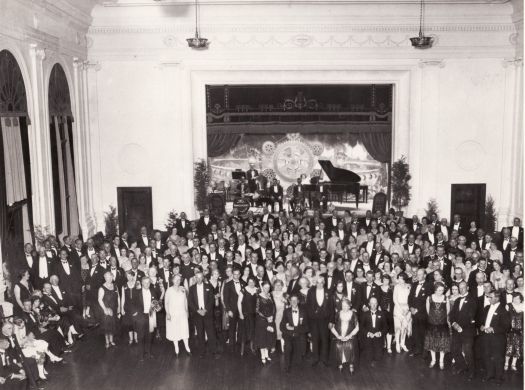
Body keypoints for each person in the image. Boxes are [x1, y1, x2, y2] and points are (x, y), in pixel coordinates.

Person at [479, 290, 511, 384]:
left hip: (498, 339)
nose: (488, 299)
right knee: (487, 356)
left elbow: (507, 326)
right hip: (486, 337)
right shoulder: (487, 308)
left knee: (498, 358)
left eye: (491, 297)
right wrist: (481, 325)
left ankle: (499, 378)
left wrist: (493, 329)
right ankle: (489, 375)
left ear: (497, 298)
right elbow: (482, 320)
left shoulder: (503, 310)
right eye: (488, 297)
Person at [449, 281, 476, 379]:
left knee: (468, 351)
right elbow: (451, 315)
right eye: (460, 288)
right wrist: (454, 323)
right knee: (454, 349)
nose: (461, 289)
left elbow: (472, 317)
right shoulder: (457, 300)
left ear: (467, 287)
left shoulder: (472, 300)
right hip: (456, 329)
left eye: (463, 287)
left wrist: (461, 327)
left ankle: (471, 371)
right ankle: (462, 366)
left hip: (467, 331)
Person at [188, 270, 218, 358]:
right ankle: (202, 351)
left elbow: (211, 300)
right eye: (197, 277)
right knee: (200, 333)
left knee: (211, 333)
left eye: (201, 277)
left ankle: (214, 351)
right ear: (195, 278)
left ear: (203, 278)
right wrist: (197, 310)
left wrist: (205, 310)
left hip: (207, 313)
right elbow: (190, 302)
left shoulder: (209, 286)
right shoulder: (192, 288)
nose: (199, 279)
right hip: (197, 314)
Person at [306, 277, 332, 366]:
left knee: (325, 340)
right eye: (318, 282)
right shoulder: (311, 292)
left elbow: (331, 307)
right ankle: (315, 358)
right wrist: (312, 316)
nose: (319, 284)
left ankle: (324, 359)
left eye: (321, 282)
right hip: (314, 320)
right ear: (315, 283)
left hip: (325, 320)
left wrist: (331, 321)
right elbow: (308, 306)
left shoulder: (328, 292)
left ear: (324, 283)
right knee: (315, 339)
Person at [424, 282, 450, 369]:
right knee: (432, 343)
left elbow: (448, 311)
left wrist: (441, 319)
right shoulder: (429, 298)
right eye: (439, 290)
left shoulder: (446, 298)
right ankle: (433, 360)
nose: (441, 292)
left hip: (442, 325)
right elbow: (428, 311)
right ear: (435, 290)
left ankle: (441, 361)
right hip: (432, 324)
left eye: (442, 290)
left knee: (442, 343)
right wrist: (434, 318)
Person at [330, 298, 359, 374]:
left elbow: (357, 328)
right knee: (337, 345)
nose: (344, 307)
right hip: (340, 336)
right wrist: (337, 335)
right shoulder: (338, 314)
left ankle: (351, 364)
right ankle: (340, 363)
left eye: (346, 306)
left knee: (351, 345)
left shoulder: (353, 314)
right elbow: (331, 327)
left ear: (350, 306)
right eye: (343, 306)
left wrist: (349, 336)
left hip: (349, 336)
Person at [280, 295, 308, 373]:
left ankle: (299, 365)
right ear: (290, 302)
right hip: (289, 335)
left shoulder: (303, 311)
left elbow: (307, 327)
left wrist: (294, 329)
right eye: (292, 300)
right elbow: (282, 325)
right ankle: (287, 366)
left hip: (299, 334)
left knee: (301, 347)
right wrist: (288, 330)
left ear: (298, 301)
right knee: (288, 347)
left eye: (295, 300)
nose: (294, 302)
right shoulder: (286, 311)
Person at [164, 274, 190, 356]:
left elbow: (185, 301)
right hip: (173, 314)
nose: (177, 281)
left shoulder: (183, 289)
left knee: (184, 330)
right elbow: (166, 303)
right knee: (174, 331)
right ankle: (176, 348)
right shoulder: (169, 290)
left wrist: (187, 311)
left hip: (182, 313)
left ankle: (187, 347)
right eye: (176, 279)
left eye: (179, 279)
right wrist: (167, 313)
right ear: (172, 280)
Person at [254, 280, 276, 364]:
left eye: (268, 287)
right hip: (261, 320)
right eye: (265, 287)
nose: (267, 289)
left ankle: (267, 355)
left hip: (270, 319)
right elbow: (257, 310)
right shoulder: (258, 296)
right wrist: (266, 317)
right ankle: (262, 356)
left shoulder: (270, 296)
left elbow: (273, 307)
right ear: (262, 287)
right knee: (262, 338)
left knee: (268, 337)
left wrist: (272, 317)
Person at [360, 296, 387, 365]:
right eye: (372, 303)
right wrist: (368, 333)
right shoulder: (364, 314)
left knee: (378, 358)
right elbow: (361, 327)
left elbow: (386, 327)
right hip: (368, 339)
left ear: (377, 304)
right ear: (369, 304)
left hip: (378, 339)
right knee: (368, 358)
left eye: (375, 303)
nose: (374, 305)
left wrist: (380, 333)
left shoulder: (382, 314)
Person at [98, 271, 120, 349]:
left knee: (112, 326)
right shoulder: (102, 288)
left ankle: (111, 340)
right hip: (106, 309)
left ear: (112, 277)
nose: (109, 278)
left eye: (110, 276)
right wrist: (105, 309)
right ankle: (107, 342)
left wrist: (119, 308)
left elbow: (118, 297)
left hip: (114, 308)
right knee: (106, 327)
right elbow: (99, 300)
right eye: (107, 277)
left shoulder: (115, 286)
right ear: (104, 278)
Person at [238, 277, 257, 356]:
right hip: (245, 314)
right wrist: (241, 314)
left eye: (253, 282)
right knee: (244, 332)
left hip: (254, 315)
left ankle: (252, 347)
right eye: (249, 282)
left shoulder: (258, 290)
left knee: (253, 332)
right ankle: (242, 349)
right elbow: (239, 302)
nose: (251, 283)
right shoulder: (243, 290)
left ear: (255, 282)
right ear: (247, 282)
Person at [504, 292, 523, 371]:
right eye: (514, 298)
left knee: (517, 348)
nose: (516, 300)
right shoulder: (509, 305)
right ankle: (506, 363)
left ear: (521, 299)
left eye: (518, 298)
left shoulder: (523, 307)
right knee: (509, 347)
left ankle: (513, 364)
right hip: (510, 331)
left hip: (519, 331)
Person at [393, 273, 411, 353]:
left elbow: (410, 298)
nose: (400, 280)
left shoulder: (408, 286)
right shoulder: (396, 287)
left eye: (401, 278)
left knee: (404, 328)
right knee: (398, 328)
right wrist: (400, 309)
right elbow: (395, 299)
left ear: (404, 279)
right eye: (399, 278)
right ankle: (397, 343)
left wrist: (407, 309)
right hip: (398, 308)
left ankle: (402, 343)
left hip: (407, 308)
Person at [378, 274, 394, 353]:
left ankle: (389, 347)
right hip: (381, 311)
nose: (385, 281)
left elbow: (393, 300)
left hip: (389, 312)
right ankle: (382, 344)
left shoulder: (391, 289)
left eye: (387, 280)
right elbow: (377, 300)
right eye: (384, 280)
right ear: (382, 280)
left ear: (389, 281)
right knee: (381, 328)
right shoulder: (378, 288)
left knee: (389, 329)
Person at [121, 270, 139, 344]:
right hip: (127, 307)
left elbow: (140, 297)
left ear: (133, 275)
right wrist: (122, 308)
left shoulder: (137, 283)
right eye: (127, 276)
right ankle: (131, 339)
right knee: (129, 324)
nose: (129, 277)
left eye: (130, 275)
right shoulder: (124, 285)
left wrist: (138, 309)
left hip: (136, 306)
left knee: (136, 323)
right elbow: (123, 298)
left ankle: (136, 338)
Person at [272, 279, 287, 352]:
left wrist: (286, 302)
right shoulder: (271, 294)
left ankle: (283, 347)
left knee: (282, 330)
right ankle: (272, 346)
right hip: (274, 315)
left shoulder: (285, 294)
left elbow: (289, 305)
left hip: (282, 315)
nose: (278, 286)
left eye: (280, 285)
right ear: (274, 286)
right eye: (276, 285)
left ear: (282, 286)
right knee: (272, 330)